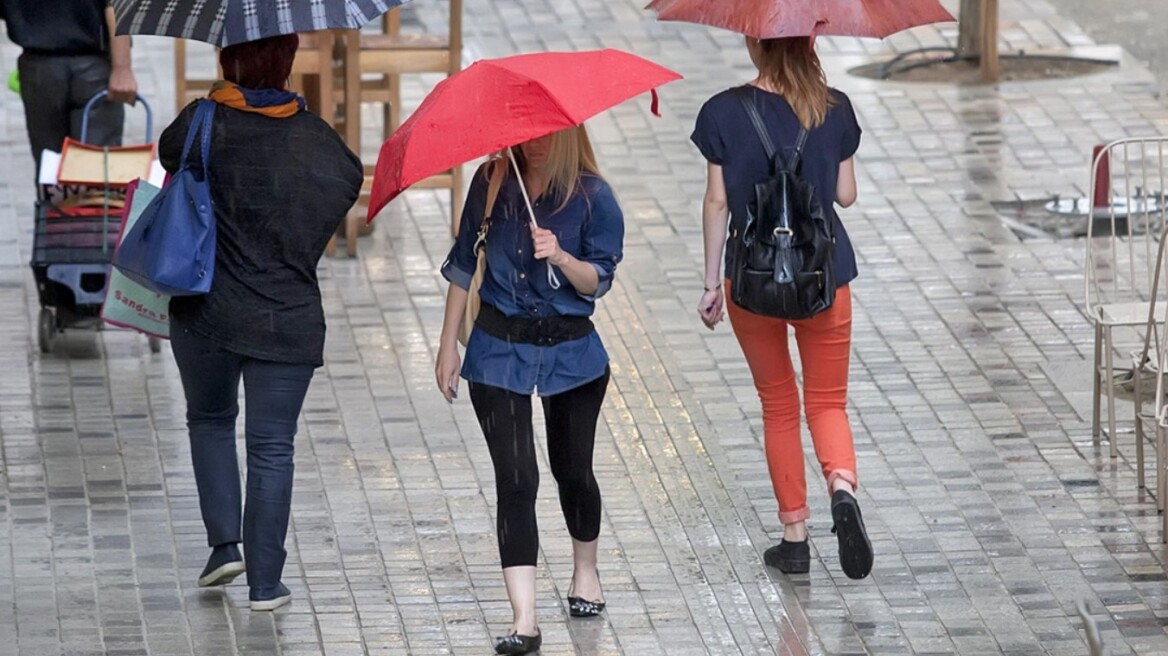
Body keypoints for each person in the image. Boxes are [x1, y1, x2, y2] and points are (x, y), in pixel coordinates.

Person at [157, 34, 363, 611]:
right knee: (273, 447)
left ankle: (225, 547)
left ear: (227, 61)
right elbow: (348, 180)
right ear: (288, 63)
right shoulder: (315, 137)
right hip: (287, 317)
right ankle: (266, 585)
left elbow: (169, 154)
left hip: (205, 311)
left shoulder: (203, 120)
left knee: (209, 421)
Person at [435, 126, 624, 655]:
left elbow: (598, 281)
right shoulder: (492, 181)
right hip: (498, 350)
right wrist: (447, 345)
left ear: (569, 133)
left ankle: (585, 572)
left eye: (547, 133)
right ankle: (525, 620)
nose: (534, 142)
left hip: (572, 353)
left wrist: (561, 256)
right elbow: (462, 263)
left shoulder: (594, 196)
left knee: (573, 471)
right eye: (526, 133)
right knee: (517, 478)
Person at [690, 36, 873, 580]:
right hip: (825, 277)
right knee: (827, 401)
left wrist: (711, 283)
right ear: (810, 41)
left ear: (754, 41)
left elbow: (717, 202)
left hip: (752, 281)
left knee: (778, 404)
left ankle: (795, 538)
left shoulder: (722, 111)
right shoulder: (834, 107)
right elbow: (845, 195)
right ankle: (841, 487)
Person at [1, 0, 138, 172]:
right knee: (97, 168)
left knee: (50, 167)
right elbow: (115, 6)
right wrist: (122, 68)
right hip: (93, 66)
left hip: (40, 66)